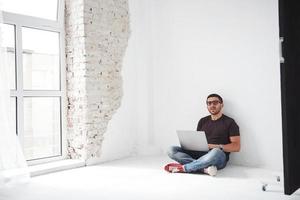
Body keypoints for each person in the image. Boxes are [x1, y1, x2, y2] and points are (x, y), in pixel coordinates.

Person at [164, 93, 240, 176]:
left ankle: (185, 168)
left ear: (221, 105)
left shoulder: (230, 122)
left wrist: (215, 146)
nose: (212, 105)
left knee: (216, 151)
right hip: (200, 155)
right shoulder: (202, 121)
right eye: (209, 103)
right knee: (171, 149)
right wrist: (190, 144)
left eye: (215, 102)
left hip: (217, 157)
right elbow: (198, 140)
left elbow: (236, 146)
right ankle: (204, 169)